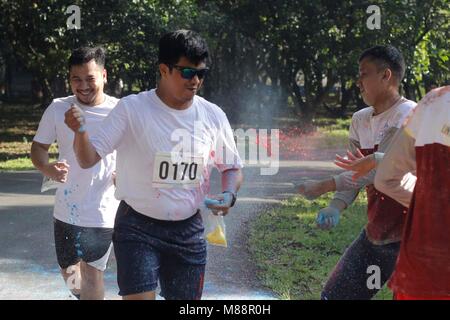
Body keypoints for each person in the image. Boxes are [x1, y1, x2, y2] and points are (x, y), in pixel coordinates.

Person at [64, 30, 243, 300]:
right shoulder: (132, 109)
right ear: (164, 69)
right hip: (137, 227)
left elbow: (231, 167)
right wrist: (80, 132)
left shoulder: (212, 115)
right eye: (186, 72)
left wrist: (229, 194)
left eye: (201, 73)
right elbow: (88, 158)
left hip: (189, 231)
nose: (195, 80)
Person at [296, 45, 416, 299]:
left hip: (415, 236)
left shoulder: (409, 115)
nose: (358, 82)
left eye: (364, 74)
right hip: (379, 232)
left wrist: (324, 185)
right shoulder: (360, 120)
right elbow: (356, 170)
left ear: (386, 76)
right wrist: (336, 206)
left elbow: (382, 169)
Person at [31, 47, 119, 300]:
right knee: (70, 273)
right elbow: (39, 147)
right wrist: (47, 167)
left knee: (92, 274)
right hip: (66, 209)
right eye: (76, 79)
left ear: (104, 75)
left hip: (102, 210)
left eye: (90, 78)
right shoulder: (58, 108)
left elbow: (136, 150)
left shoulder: (120, 110)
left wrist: (125, 173)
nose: (83, 86)